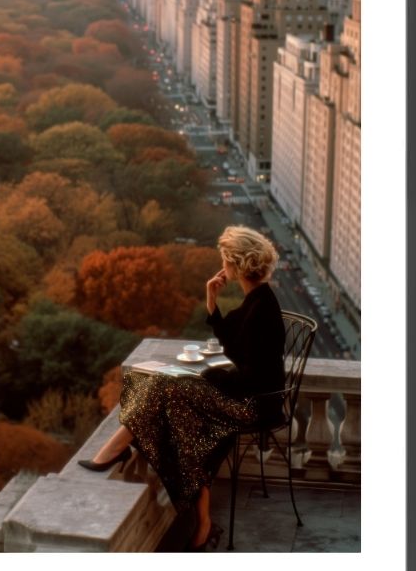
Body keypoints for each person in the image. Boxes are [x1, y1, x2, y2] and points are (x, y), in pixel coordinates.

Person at [78, 225, 285, 550]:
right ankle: (201, 519)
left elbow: (254, 378)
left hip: (254, 405)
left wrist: (209, 378)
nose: (222, 265)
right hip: (246, 395)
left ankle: (117, 448)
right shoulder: (258, 300)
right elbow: (234, 346)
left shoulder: (261, 310)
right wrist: (211, 300)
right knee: (174, 406)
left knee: (165, 387)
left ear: (234, 264)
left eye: (224, 259)